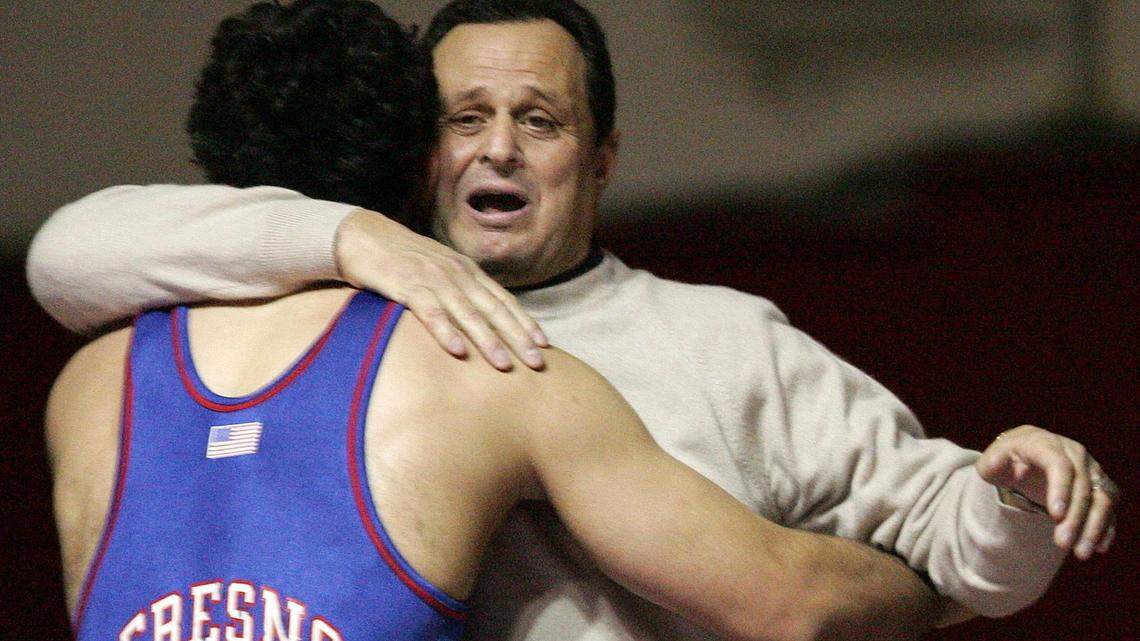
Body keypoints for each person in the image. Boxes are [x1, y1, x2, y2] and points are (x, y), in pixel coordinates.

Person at [29, 0, 1118, 639]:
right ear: (418, 150)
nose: (498, 148)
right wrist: (349, 239)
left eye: (538, 120)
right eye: (465, 118)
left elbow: (950, 539)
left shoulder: (726, 341)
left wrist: (999, 515)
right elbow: (67, 248)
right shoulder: (336, 320)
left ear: (600, 160)